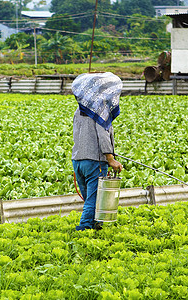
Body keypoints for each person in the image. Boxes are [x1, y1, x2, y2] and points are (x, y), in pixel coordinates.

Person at [71, 72, 123, 231]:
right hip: (94, 161)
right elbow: (103, 137)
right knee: (93, 199)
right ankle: (84, 229)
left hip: (78, 160)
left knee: (89, 198)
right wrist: (110, 158)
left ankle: (95, 225)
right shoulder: (101, 113)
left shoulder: (79, 111)